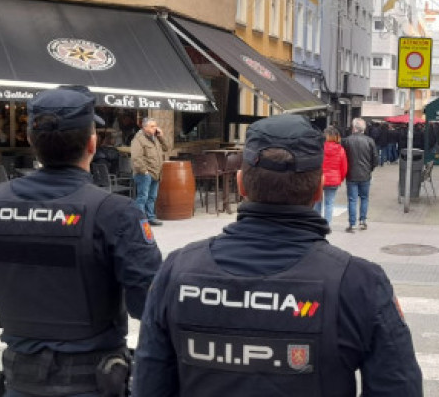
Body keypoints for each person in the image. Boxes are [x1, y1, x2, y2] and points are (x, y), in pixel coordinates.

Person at [132, 114, 423, 396]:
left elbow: (148, 385)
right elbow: (399, 386)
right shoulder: (360, 284)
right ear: (319, 190)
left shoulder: (176, 272)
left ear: (241, 183)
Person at [0, 86, 163, 397]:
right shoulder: (116, 213)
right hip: (94, 382)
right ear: (92, 142)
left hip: (21, 381)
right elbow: (152, 306)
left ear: (32, 141)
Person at [340, 117, 378, 233]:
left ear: (354, 128)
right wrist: (370, 169)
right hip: (365, 174)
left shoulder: (346, 141)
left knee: (352, 200)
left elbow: (342, 157)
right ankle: (362, 221)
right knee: (364, 198)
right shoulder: (370, 141)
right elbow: (375, 158)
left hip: (351, 175)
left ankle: (352, 224)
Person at [131, 117, 169, 226]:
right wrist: (144, 172)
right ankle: (140, 220)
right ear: (145, 127)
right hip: (144, 174)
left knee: (152, 197)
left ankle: (150, 218)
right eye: (152, 126)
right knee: (143, 197)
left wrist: (161, 137)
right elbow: (136, 158)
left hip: (156, 173)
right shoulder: (138, 139)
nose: (155, 128)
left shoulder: (155, 138)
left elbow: (167, 148)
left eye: (155, 126)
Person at [315, 126, 347, 225]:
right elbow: (344, 167)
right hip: (334, 180)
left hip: (319, 179)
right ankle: (327, 225)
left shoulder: (319, 148)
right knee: (329, 203)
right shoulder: (340, 149)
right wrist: (340, 179)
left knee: (317, 202)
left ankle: (316, 224)